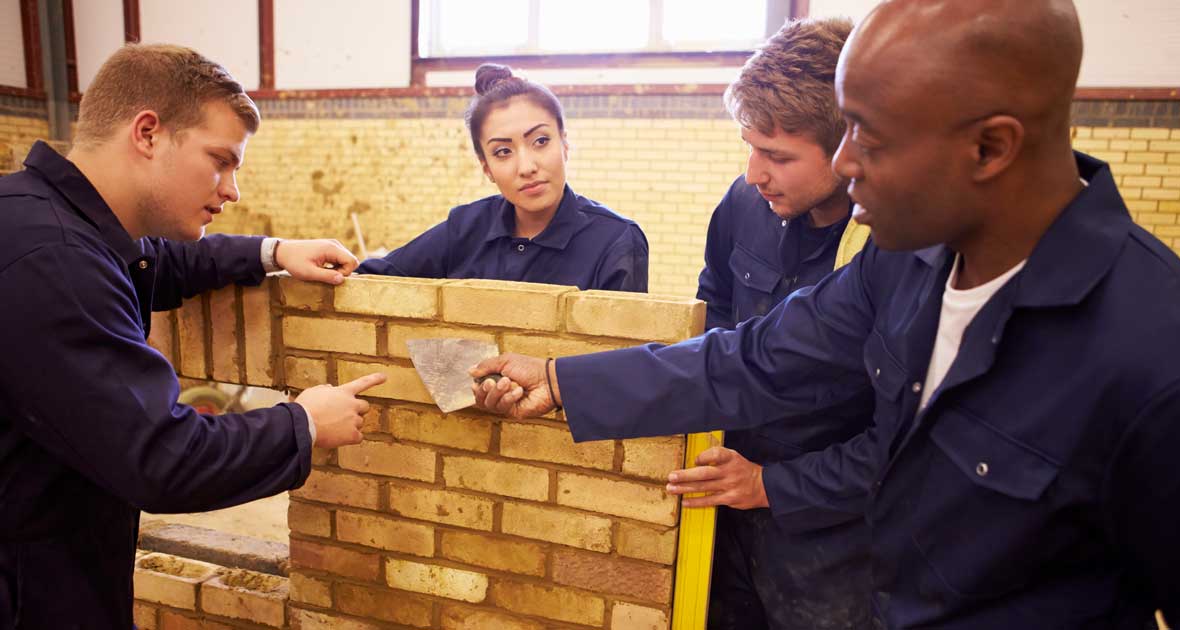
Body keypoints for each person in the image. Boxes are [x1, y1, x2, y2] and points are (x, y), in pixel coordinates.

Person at [472, 1, 1180, 628]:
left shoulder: (1164, 362)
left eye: (869, 139)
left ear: (991, 146)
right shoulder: (903, 263)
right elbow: (753, 356)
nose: (845, 164)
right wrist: (563, 380)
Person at [0, 44, 385, 629]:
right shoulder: (55, 262)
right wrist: (304, 424)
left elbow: (154, 263)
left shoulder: (37, 212)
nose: (232, 190)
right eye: (220, 160)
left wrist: (273, 252)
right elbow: (160, 458)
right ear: (148, 133)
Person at [689, 17, 876, 630]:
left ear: (849, 146)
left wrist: (773, 484)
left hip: (833, 539)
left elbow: (903, 439)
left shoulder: (891, 250)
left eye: (777, 156)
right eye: (749, 147)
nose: (753, 173)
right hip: (725, 510)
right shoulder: (743, 206)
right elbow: (711, 318)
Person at [357, 63, 649, 292]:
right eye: (503, 152)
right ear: (486, 168)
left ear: (565, 144)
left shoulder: (616, 240)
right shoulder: (465, 229)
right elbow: (373, 279)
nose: (526, 167)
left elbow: (621, 361)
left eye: (541, 141)